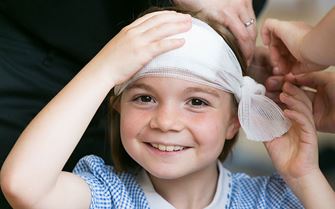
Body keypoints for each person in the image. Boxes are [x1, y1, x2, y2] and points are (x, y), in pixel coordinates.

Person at [2, 7, 334, 209]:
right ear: (117, 105)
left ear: (235, 120)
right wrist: (104, 68)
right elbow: (23, 187)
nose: (166, 121)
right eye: (144, 98)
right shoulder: (108, 195)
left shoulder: (269, 200)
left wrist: (304, 176)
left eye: (197, 102)